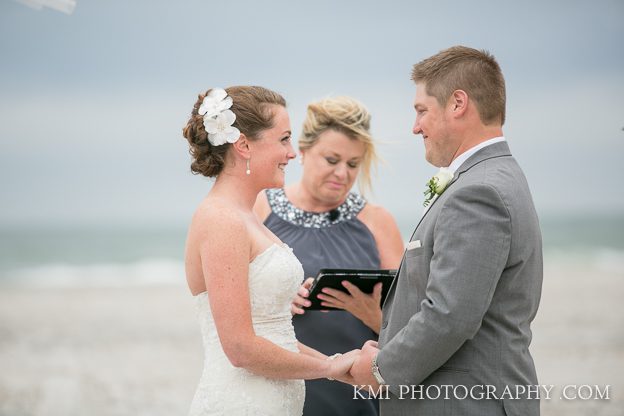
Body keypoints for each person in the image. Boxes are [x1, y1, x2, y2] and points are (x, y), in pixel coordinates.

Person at [350, 46, 543, 416]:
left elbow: (450, 315)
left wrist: (380, 371)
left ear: (458, 103)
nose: (415, 126)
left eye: (421, 110)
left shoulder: (478, 192)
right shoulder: (496, 176)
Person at [181, 86, 358, 416]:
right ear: (244, 145)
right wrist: (330, 370)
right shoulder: (221, 218)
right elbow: (240, 348)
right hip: (239, 404)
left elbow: (275, 333)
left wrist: (343, 367)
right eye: (284, 139)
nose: (292, 153)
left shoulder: (246, 217)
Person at [254, 96, 404, 416]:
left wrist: (372, 316)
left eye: (352, 164)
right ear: (303, 152)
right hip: (278, 386)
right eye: (331, 159)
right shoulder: (259, 209)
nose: (342, 173)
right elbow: (233, 308)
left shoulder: (378, 222)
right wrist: (274, 298)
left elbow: (411, 327)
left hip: (357, 393)